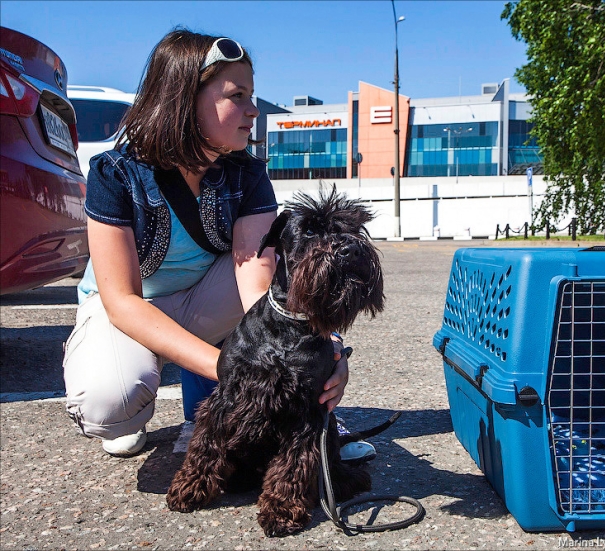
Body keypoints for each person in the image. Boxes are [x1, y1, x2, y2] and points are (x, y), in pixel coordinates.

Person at [62, 29, 375, 464]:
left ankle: (313, 420)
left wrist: (326, 352)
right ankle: (134, 415)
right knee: (108, 404)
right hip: (127, 308)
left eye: (253, 95)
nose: (252, 110)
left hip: (205, 301)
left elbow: (260, 287)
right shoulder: (115, 174)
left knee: (280, 306)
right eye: (237, 96)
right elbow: (122, 301)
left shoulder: (247, 174)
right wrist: (236, 372)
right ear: (184, 99)